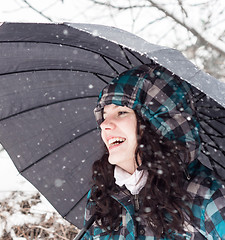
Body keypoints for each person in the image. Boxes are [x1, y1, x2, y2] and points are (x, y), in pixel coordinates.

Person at [81, 64, 225, 239]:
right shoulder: (101, 199)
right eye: (104, 116)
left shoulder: (205, 195)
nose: (104, 124)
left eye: (121, 112)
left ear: (159, 125)